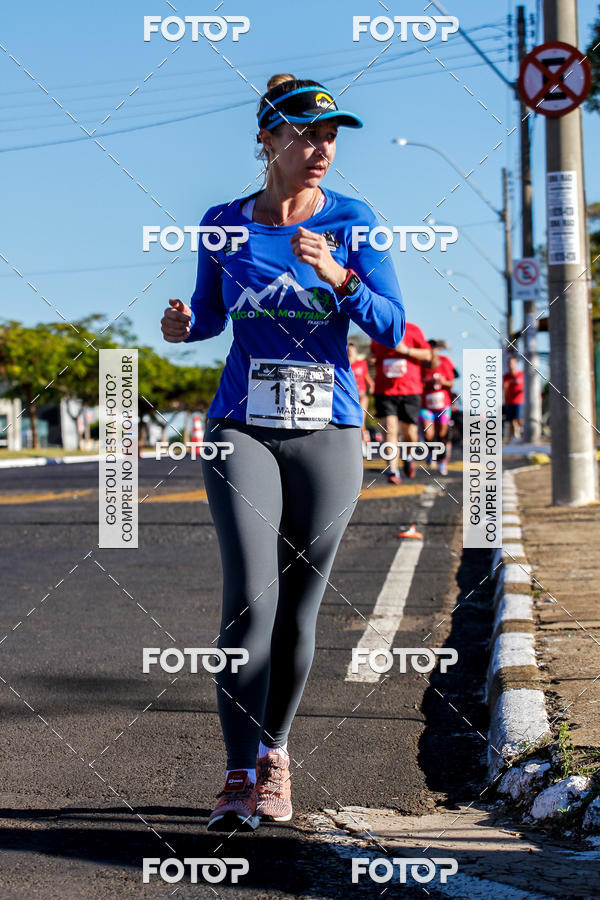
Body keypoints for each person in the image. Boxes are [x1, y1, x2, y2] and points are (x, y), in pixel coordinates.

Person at [161, 74, 405, 832]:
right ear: (266, 140)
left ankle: (275, 757)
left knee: (299, 610)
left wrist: (340, 277)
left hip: (328, 431)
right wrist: (181, 326)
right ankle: (236, 776)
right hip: (241, 425)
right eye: (303, 134)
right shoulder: (223, 224)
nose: (320, 148)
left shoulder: (353, 221)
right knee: (249, 599)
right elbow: (207, 315)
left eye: (330, 136)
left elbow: (395, 327)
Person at [370, 324, 433, 484]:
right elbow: (373, 353)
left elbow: (427, 355)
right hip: (385, 390)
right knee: (389, 429)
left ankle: (408, 456)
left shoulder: (412, 329)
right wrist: (372, 359)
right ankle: (393, 470)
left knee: (410, 433)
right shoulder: (377, 330)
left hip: (410, 390)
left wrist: (406, 350)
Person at [420, 340, 458, 476]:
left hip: (443, 406)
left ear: (437, 350)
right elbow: (417, 383)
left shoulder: (445, 362)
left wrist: (443, 382)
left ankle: (442, 461)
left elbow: (451, 383)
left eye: (434, 349)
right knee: (428, 433)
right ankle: (431, 451)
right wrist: (426, 383)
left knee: (443, 435)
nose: (431, 352)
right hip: (426, 406)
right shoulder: (421, 364)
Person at [347, 341, 374, 444]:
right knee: (353, 420)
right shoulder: (345, 365)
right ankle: (360, 442)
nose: (351, 351)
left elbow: (367, 377)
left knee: (361, 418)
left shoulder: (361, 363)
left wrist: (372, 386)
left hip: (362, 396)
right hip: (350, 397)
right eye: (349, 349)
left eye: (352, 349)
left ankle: (364, 442)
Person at [503, 355, 524, 441]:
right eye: (509, 363)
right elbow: (503, 388)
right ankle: (513, 437)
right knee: (511, 420)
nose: (511, 365)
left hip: (519, 400)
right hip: (509, 401)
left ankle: (522, 432)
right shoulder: (506, 376)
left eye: (512, 363)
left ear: (515, 364)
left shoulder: (521, 374)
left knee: (519, 418)